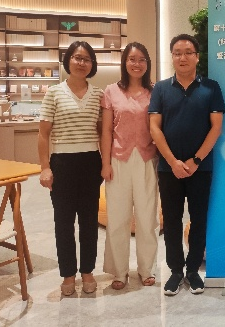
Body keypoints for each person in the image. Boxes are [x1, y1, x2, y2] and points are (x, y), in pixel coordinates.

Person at [148, 33, 225, 296]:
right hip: (168, 168)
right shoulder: (160, 89)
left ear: (197, 57)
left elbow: (216, 128)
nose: (183, 57)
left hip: (200, 168)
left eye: (188, 52)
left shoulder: (211, 88)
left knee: (198, 219)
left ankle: (193, 270)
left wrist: (195, 160)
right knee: (171, 220)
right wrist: (173, 162)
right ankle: (175, 271)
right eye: (177, 53)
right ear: (172, 57)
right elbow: (155, 128)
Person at [38, 41, 103, 296]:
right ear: (68, 61)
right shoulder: (54, 93)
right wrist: (45, 167)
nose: (81, 63)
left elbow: (102, 132)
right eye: (77, 57)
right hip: (62, 163)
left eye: (86, 59)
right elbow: (43, 134)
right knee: (63, 222)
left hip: (90, 162)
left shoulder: (98, 94)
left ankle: (87, 271)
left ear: (92, 64)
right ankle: (67, 274)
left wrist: (106, 162)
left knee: (89, 221)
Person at [101, 42, 158, 290]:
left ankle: (147, 269)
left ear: (147, 64)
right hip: (118, 160)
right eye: (132, 59)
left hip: (147, 159)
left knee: (148, 218)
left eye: (142, 59)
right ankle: (119, 271)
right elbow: (105, 131)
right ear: (124, 63)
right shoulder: (111, 91)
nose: (137, 64)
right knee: (117, 218)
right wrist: (105, 163)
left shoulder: (155, 92)